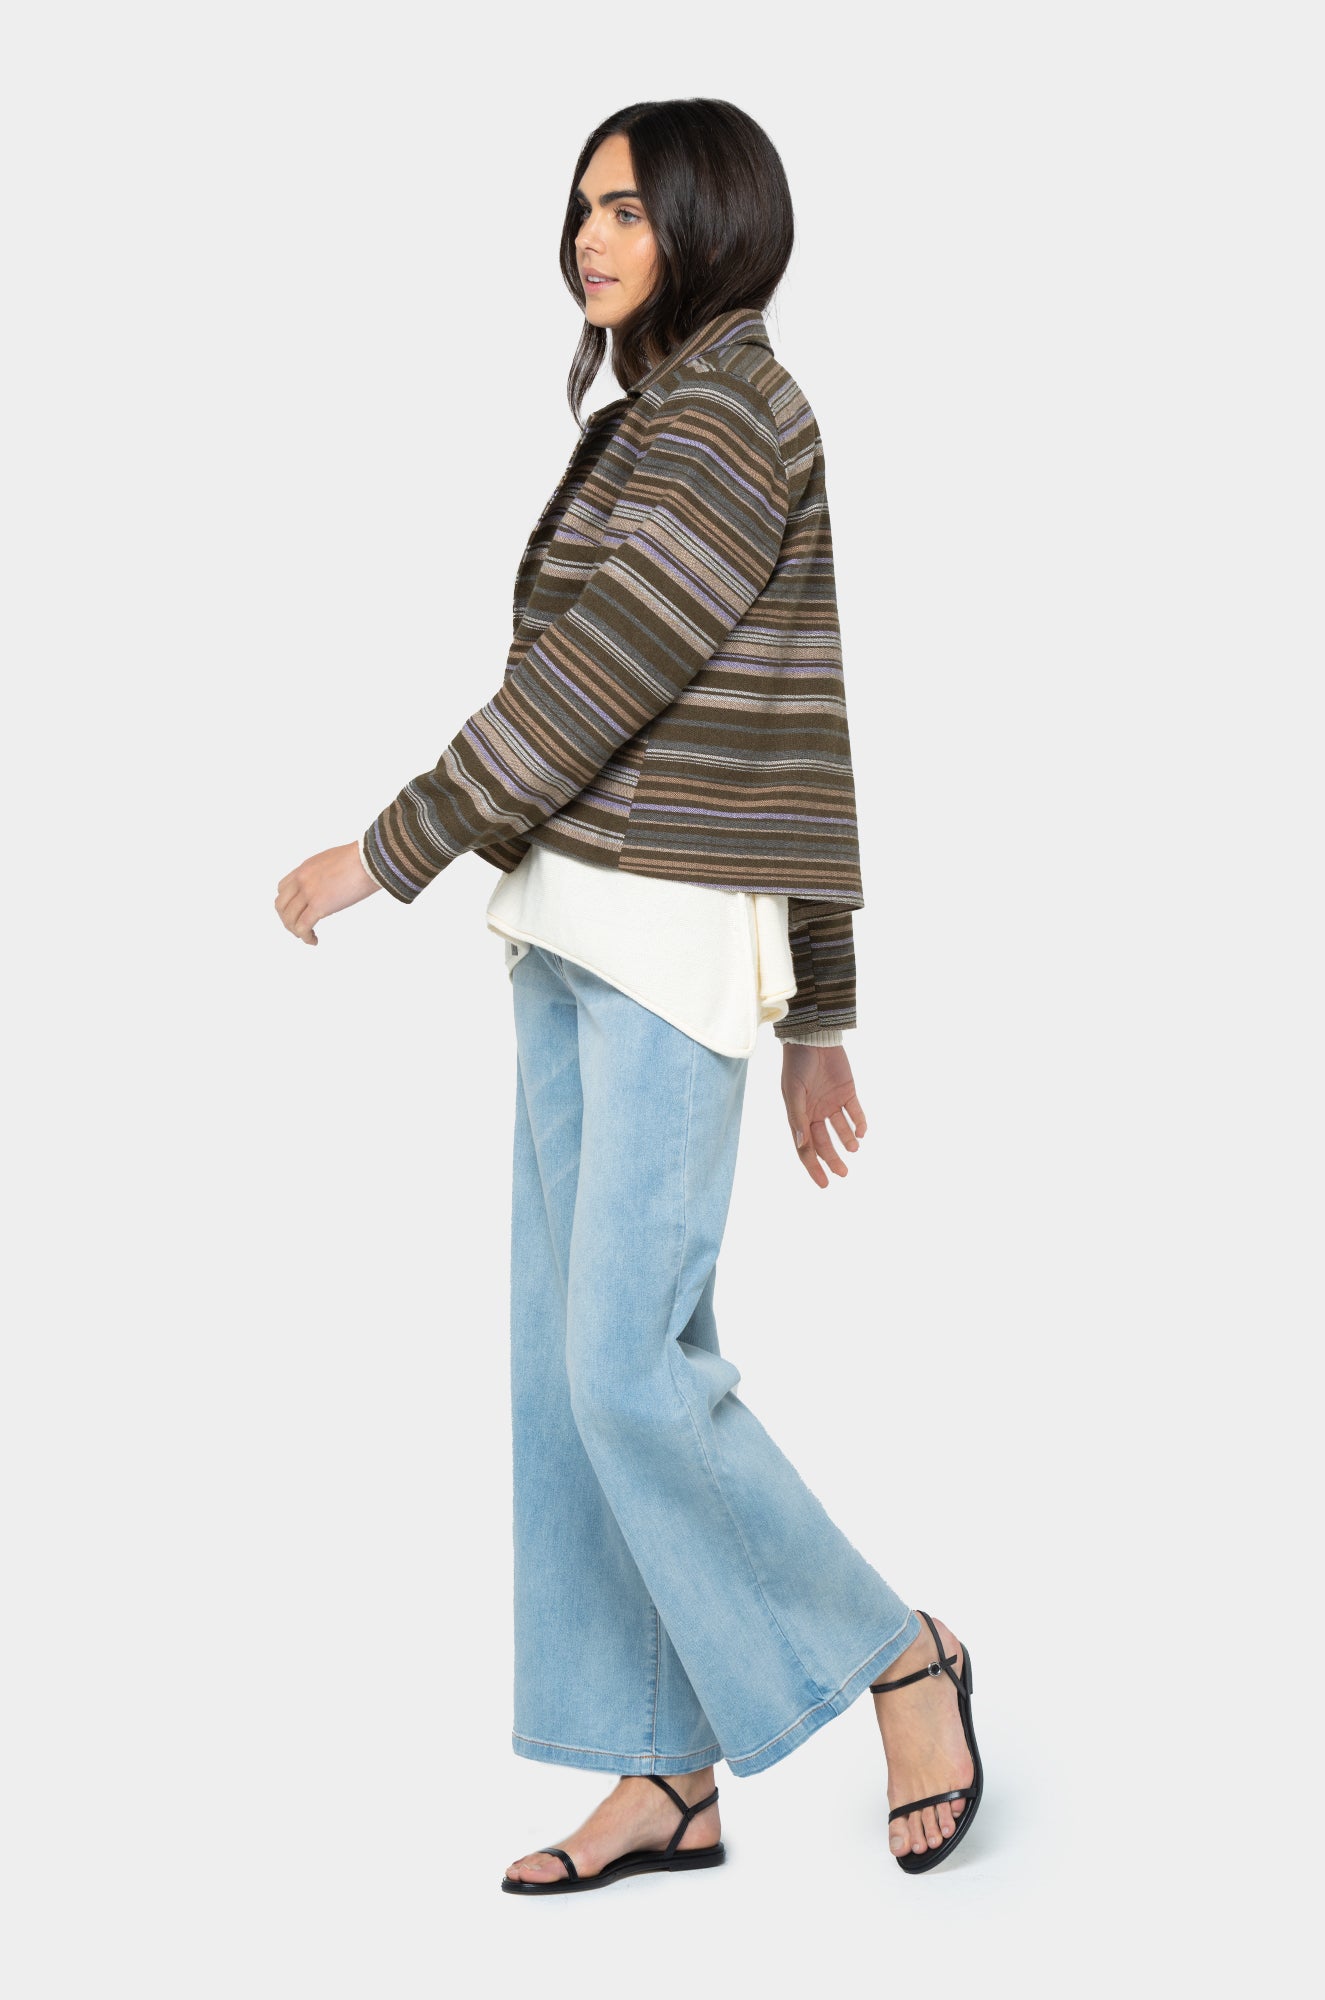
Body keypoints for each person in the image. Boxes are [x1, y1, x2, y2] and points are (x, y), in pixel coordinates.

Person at [275, 97, 983, 1890]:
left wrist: (387, 849)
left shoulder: (735, 414)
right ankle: (659, 1771)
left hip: (664, 945)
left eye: (629, 208)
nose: (590, 238)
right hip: (567, 931)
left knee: (625, 1368)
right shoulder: (645, 422)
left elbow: (611, 677)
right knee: (563, 1377)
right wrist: (818, 1009)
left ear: (710, 223)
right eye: (582, 206)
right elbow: (783, 726)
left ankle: (896, 1653)